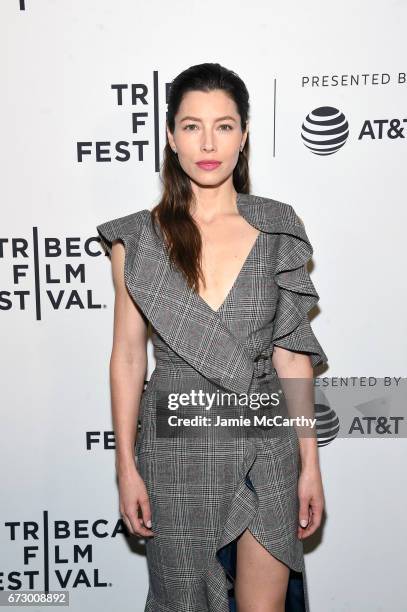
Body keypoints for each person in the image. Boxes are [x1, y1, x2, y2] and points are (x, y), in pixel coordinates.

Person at [96, 62, 328, 612]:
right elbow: (128, 358)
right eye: (192, 126)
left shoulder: (277, 228)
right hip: (177, 452)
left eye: (224, 126)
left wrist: (310, 464)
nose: (208, 142)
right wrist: (125, 467)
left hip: (265, 445)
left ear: (244, 136)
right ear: (172, 137)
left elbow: (292, 359)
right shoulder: (138, 240)